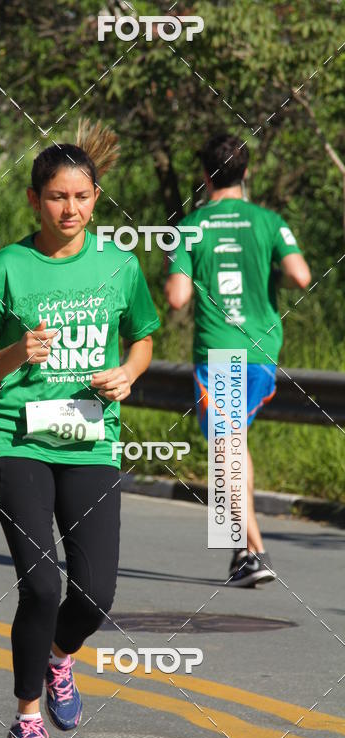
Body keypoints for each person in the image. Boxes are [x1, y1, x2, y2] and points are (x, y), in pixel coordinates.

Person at [0, 121, 160, 738]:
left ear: (97, 198)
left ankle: (59, 658)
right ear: (33, 201)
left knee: (95, 595)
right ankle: (25, 721)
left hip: (91, 440)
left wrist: (129, 372)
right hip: (17, 438)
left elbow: (144, 335)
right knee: (41, 585)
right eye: (55, 198)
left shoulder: (120, 265)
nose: (69, 210)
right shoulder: (9, 267)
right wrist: (17, 352)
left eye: (81, 197)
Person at [164, 133, 311, 586]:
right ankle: (239, 554)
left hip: (219, 350)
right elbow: (301, 276)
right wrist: (266, 280)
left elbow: (177, 298)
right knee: (235, 448)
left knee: (225, 453)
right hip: (263, 350)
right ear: (246, 173)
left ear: (205, 176)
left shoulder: (190, 226)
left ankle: (257, 552)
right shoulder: (268, 221)